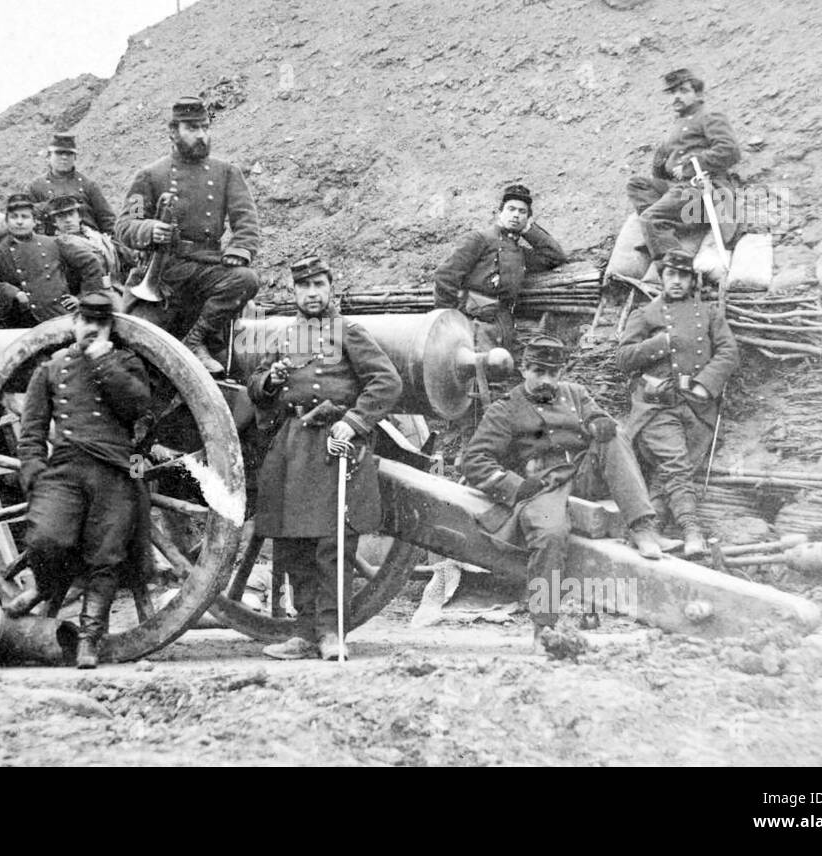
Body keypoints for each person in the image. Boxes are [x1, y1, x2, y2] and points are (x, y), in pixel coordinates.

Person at [461, 335, 673, 635]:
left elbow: (596, 416)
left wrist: (598, 423)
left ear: (562, 373)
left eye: (553, 373)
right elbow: (475, 460)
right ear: (524, 370)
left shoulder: (575, 394)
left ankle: (642, 526)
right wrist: (516, 487)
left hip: (583, 474)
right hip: (543, 486)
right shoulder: (505, 409)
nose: (546, 380)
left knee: (613, 434)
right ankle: (544, 626)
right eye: (539, 372)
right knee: (549, 535)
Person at [248, 255, 402, 661]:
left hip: (336, 447)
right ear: (294, 292)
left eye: (319, 285)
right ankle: (303, 632)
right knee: (292, 544)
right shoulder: (284, 337)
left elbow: (386, 382)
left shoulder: (348, 332)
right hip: (293, 447)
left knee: (332, 545)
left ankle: (332, 633)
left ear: (331, 288)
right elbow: (256, 386)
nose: (312, 294)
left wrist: (354, 421)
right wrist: (269, 381)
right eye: (304, 287)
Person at [5, 291, 152, 669]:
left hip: (116, 467)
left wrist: (105, 362)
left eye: (100, 324)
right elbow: (32, 430)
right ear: (74, 323)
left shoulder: (126, 362)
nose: (91, 329)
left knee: (107, 554)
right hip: (66, 468)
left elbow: (137, 409)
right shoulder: (51, 367)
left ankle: (89, 639)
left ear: (109, 329)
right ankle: (45, 584)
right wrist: (34, 474)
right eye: (86, 321)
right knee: (45, 537)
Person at [116, 96, 260, 373]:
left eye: (205, 127)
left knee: (246, 279)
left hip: (207, 268)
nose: (202, 136)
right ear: (173, 131)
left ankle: (196, 340)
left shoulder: (226, 172)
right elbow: (124, 225)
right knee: (136, 352)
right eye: (192, 128)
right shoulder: (150, 175)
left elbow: (247, 221)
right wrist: (148, 229)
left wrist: (238, 251)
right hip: (165, 273)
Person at [615, 249, 740, 557]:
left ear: (692, 280)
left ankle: (651, 530)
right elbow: (623, 358)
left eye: (683, 276)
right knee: (675, 464)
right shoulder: (646, 314)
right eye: (671, 274)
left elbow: (728, 353)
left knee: (670, 471)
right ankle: (691, 529)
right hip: (658, 405)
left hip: (697, 406)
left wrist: (704, 385)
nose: (677, 281)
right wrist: (661, 344)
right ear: (663, 276)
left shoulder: (710, 313)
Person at [622, 68, 742, 262]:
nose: (676, 97)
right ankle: (665, 230)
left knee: (650, 218)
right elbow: (668, 162)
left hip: (702, 188)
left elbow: (730, 151)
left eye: (684, 91)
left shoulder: (709, 116)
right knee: (637, 184)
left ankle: (673, 263)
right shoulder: (679, 123)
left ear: (698, 94)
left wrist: (691, 165)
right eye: (672, 93)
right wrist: (662, 162)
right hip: (680, 189)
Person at [433, 183, 567, 352]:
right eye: (511, 209)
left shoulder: (520, 253)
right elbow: (445, 277)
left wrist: (530, 231)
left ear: (527, 218)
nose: (516, 215)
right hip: (474, 325)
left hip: (504, 326)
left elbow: (555, 256)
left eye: (522, 212)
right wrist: (452, 320)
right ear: (499, 213)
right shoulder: (479, 239)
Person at [0, 193, 108, 327]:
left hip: (60, 315)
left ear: (34, 222)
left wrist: (83, 298)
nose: (19, 222)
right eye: (14, 217)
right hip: (23, 322)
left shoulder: (54, 243)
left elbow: (91, 263)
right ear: (7, 222)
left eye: (25, 217)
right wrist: (12, 292)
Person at [28, 131, 117, 236]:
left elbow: (107, 219)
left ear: (75, 158)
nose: (64, 157)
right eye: (59, 153)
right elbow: (27, 220)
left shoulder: (88, 185)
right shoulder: (36, 187)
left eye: (69, 154)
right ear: (48, 156)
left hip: (88, 241)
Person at [48, 193, 134, 286]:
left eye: (71, 214)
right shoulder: (57, 245)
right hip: (88, 293)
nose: (68, 220)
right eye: (61, 216)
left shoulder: (97, 236)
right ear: (54, 222)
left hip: (116, 286)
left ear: (79, 216)